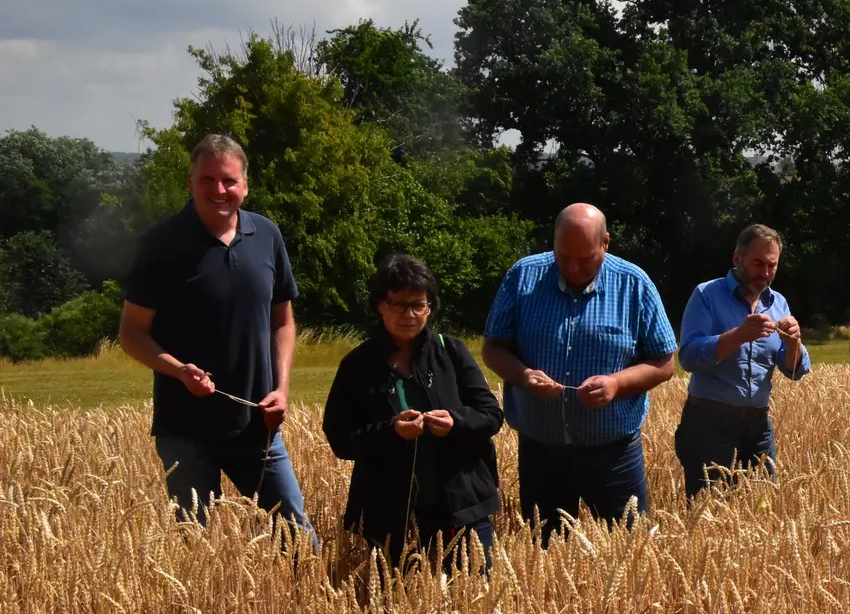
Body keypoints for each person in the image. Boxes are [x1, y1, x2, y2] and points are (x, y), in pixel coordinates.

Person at [118, 134, 315, 539]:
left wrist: (281, 390)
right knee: (198, 553)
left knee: (300, 544)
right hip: (185, 431)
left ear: (245, 185)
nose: (219, 190)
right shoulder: (160, 244)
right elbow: (132, 334)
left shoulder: (267, 235)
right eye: (207, 180)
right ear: (190, 183)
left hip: (257, 426)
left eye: (229, 180)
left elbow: (282, 321)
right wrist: (179, 370)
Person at [481, 203, 677, 541]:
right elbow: (493, 349)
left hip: (614, 453)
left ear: (605, 243)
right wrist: (524, 375)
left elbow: (665, 362)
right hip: (541, 452)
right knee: (545, 550)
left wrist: (616, 384)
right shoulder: (523, 276)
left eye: (584, 258)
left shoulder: (634, 284)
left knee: (628, 549)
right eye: (563, 256)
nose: (573, 267)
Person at [322, 254, 504, 574]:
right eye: (398, 304)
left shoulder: (451, 351)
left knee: (477, 590)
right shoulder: (358, 365)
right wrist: (390, 431)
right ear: (380, 306)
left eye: (418, 305)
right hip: (393, 514)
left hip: (462, 506)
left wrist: (456, 421)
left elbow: (490, 414)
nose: (409, 314)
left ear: (430, 307)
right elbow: (341, 438)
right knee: (401, 600)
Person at [675, 224, 811, 500]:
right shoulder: (706, 295)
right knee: (710, 511)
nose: (765, 273)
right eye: (758, 264)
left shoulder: (778, 303)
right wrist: (738, 335)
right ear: (738, 258)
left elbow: (794, 370)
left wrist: (794, 343)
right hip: (709, 426)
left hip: (759, 429)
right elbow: (688, 356)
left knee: (762, 510)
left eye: (772, 265)